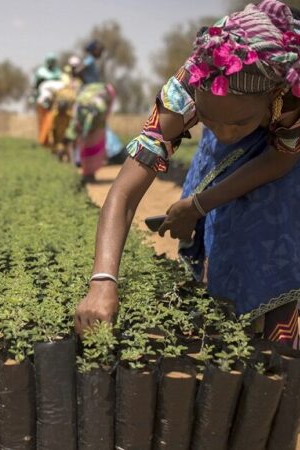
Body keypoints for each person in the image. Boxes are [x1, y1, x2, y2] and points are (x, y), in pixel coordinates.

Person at [75, 0, 300, 349]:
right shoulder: (181, 94)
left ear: (273, 96)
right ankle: (230, 336)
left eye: (237, 122)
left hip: (286, 148)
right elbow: (124, 193)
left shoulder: (291, 94)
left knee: (272, 233)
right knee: (223, 235)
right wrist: (103, 281)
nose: (224, 132)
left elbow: (280, 160)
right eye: (209, 120)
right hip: (243, 124)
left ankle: (278, 344)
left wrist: (197, 204)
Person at [66, 82, 117, 183]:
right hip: (91, 121)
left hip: (93, 120)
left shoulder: (89, 108)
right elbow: (71, 139)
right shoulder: (78, 117)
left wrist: (84, 132)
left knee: (90, 147)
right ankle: (87, 173)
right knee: (89, 146)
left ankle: (87, 173)